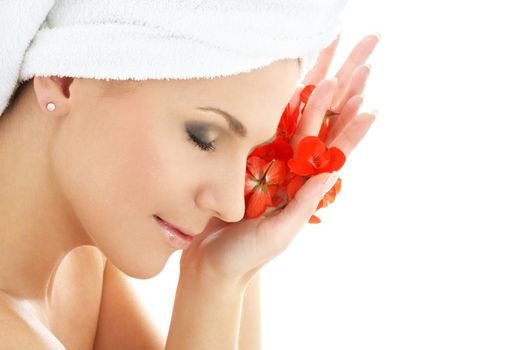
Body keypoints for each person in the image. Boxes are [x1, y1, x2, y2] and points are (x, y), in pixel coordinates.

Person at [0, 1, 380, 349]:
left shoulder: (82, 271)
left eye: (251, 154)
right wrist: (212, 284)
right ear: (65, 78)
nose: (233, 206)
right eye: (204, 138)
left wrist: (221, 271)